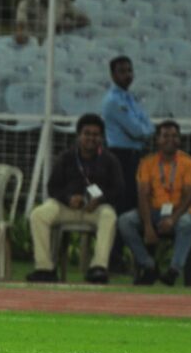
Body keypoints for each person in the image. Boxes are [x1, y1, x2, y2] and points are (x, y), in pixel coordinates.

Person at [26, 114, 122, 284]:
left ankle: (98, 268)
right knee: (39, 214)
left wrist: (99, 200)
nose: (91, 138)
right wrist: (68, 198)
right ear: (79, 135)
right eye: (87, 133)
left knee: (109, 215)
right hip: (67, 208)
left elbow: (119, 189)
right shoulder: (66, 157)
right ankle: (45, 268)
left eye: (96, 134)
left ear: (101, 137)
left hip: (94, 210)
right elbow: (52, 187)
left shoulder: (109, 160)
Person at [117, 120, 191, 286]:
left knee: (187, 222)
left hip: (178, 212)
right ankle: (149, 265)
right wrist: (147, 226)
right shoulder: (147, 163)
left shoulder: (189, 163)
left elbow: (189, 197)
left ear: (179, 140)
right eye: (165, 136)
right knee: (125, 221)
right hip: (152, 211)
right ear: (157, 140)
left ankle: (173, 271)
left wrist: (172, 219)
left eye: (175, 136)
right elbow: (142, 195)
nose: (170, 139)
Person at [101, 56, 154, 218]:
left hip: (135, 156)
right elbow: (138, 131)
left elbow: (149, 126)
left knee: (134, 201)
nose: (127, 75)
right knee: (122, 204)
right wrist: (144, 132)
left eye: (129, 70)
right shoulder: (113, 101)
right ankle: (115, 243)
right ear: (113, 75)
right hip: (120, 157)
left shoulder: (129, 97)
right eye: (122, 71)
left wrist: (145, 131)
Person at [14, 0, 89, 42]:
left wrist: (67, 25)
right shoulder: (27, 2)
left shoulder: (63, 2)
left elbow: (85, 20)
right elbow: (21, 24)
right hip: (34, 42)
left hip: (57, 42)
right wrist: (20, 34)